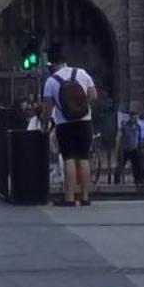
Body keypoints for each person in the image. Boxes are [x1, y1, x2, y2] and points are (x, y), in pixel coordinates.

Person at [43, 48, 97, 208]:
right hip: (85, 121)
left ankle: (69, 197)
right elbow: (94, 95)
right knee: (84, 158)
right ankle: (86, 197)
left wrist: (45, 124)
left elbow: (47, 107)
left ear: (53, 64)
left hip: (64, 124)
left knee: (70, 159)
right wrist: (81, 105)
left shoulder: (51, 81)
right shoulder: (82, 73)